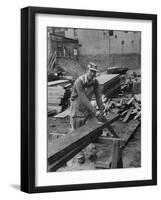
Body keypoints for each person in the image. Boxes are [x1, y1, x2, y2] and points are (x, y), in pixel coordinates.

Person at [70, 62, 104, 131]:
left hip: (87, 109)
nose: (93, 74)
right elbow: (83, 98)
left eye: (94, 72)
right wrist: (95, 111)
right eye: (91, 71)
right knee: (76, 134)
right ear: (87, 70)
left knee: (93, 129)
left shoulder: (95, 82)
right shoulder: (79, 82)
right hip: (77, 111)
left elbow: (98, 96)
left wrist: (101, 109)